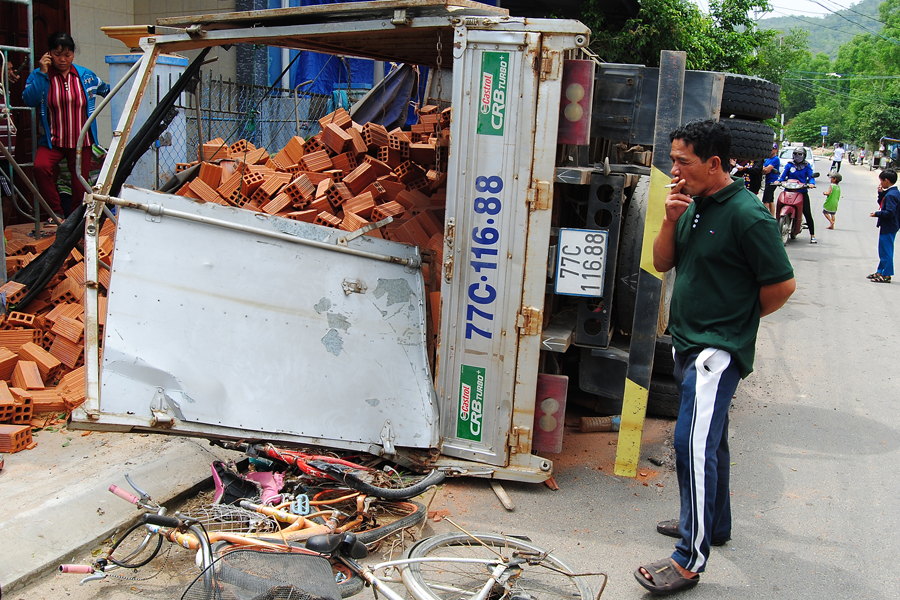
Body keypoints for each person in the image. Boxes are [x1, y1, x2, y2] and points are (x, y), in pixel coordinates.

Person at [635, 119, 795, 595]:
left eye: (682, 161)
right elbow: (663, 262)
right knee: (712, 440)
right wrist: (668, 218)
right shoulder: (693, 205)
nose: (674, 169)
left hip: (715, 351)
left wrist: (734, 328)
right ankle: (714, 525)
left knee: (689, 444)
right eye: (673, 159)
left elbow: (781, 286)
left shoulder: (748, 215)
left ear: (714, 163)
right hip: (687, 342)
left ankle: (689, 556)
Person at [22, 32, 109, 218]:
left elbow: (108, 89)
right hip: (53, 140)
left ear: (73, 55)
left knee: (80, 185)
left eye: (67, 55)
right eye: (57, 54)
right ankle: (57, 214)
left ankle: (73, 221)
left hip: (81, 141)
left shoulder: (85, 76)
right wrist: (42, 73)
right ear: (49, 54)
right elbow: (29, 99)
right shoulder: (40, 76)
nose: (62, 59)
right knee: (40, 167)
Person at [868, 169, 900, 283]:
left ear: (886, 180)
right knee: (883, 250)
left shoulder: (891, 195)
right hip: (890, 225)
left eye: (881, 181)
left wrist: (877, 213)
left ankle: (886, 274)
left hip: (889, 225)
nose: (880, 183)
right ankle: (880, 271)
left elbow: (889, 212)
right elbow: (883, 203)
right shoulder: (893, 192)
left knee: (886, 251)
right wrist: (881, 193)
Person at [780, 147, 817, 243]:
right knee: (780, 205)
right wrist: (778, 181)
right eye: (796, 154)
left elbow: (811, 176)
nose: (797, 156)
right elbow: (783, 176)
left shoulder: (806, 166)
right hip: (788, 190)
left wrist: (812, 183)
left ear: (804, 156)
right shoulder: (789, 165)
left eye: (800, 154)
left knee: (807, 213)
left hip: (801, 192)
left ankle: (812, 235)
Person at [761, 143, 781, 217]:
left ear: (776, 150)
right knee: (770, 200)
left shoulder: (775, 159)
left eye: (772, 149)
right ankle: (772, 216)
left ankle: (765, 216)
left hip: (772, 181)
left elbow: (767, 170)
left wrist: (763, 169)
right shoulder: (767, 159)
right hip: (768, 180)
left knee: (766, 200)